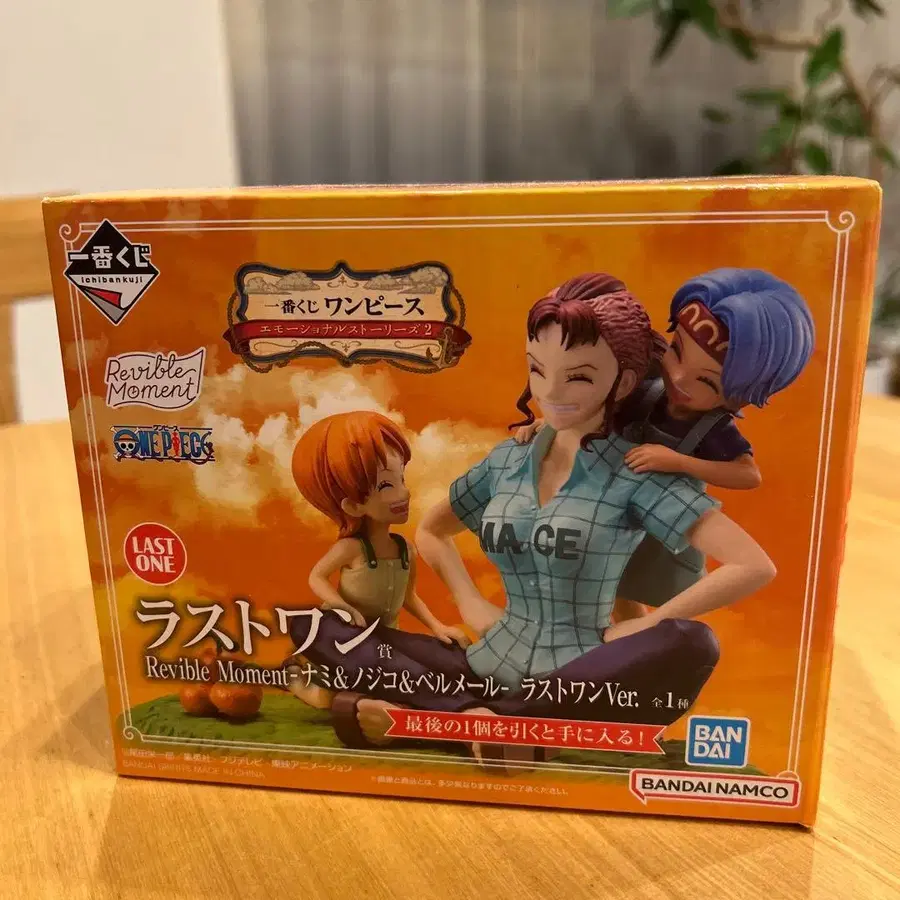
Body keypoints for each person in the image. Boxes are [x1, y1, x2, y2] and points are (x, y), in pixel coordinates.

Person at [287, 274, 775, 764]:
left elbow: (752, 565)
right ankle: (490, 725)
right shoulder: (509, 459)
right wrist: (470, 602)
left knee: (693, 642)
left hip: (583, 677)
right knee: (317, 627)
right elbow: (432, 531)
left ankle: (450, 721)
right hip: (487, 659)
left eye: (578, 377)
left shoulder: (636, 471)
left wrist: (640, 630)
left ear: (624, 382)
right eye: (538, 370)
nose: (551, 392)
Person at [515, 268, 814, 619]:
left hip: (660, 520)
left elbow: (748, 475)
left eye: (707, 382)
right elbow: (596, 410)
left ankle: (645, 640)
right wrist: (551, 425)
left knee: (644, 591)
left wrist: (679, 462)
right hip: (609, 506)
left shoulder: (711, 428)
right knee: (604, 584)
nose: (679, 376)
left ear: (741, 396)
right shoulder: (646, 385)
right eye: (676, 350)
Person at [285, 411, 468, 711]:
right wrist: (342, 607)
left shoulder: (405, 549)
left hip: (382, 638)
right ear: (353, 505)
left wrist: (438, 627)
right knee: (324, 698)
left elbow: (408, 596)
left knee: (447, 662)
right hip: (344, 635)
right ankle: (294, 675)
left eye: (401, 479)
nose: (404, 492)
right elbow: (316, 577)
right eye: (386, 486)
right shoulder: (351, 548)